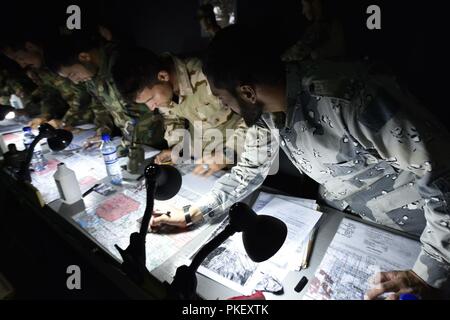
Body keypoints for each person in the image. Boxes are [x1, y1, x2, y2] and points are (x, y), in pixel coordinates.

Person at [151, 26, 450, 299]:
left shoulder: (350, 98)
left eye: (222, 97)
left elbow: (442, 176)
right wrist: (196, 212)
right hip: (347, 217)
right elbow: (250, 170)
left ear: (246, 92)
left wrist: (427, 274)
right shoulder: (264, 112)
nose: (222, 106)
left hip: (419, 230)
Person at [112, 47, 247, 176]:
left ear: (163, 76)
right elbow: (172, 119)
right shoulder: (162, 89)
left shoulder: (208, 75)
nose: (152, 107)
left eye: (151, 99)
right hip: (206, 162)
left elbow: (256, 117)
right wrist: (176, 150)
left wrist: (226, 155)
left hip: (244, 158)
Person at [45, 33, 167, 150]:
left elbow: (147, 110)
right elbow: (100, 106)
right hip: (133, 141)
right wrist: (103, 132)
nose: (75, 82)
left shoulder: (123, 62)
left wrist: (130, 145)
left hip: (158, 139)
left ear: (84, 57)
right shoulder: (90, 75)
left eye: (73, 74)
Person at [0, 36, 102, 130]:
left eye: (20, 58)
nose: (22, 64)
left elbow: (84, 95)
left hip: (94, 119)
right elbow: (49, 93)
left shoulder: (64, 58)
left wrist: (64, 122)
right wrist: (44, 116)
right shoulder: (41, 70)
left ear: (30, 47)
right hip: (83, 123)